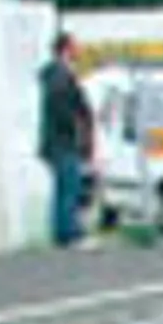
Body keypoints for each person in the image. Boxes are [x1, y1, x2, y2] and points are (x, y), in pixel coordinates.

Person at [35, 33, 96, 247]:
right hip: (62, 141)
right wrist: (76, 127)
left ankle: (62, 232)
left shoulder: (56, 74)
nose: (79, 50)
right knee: (70, 186)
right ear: (66, 49)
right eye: (76, 46)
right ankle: (69, 233)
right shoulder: (60, 76)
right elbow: (65, 108)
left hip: (56, 141)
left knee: (63, 187)